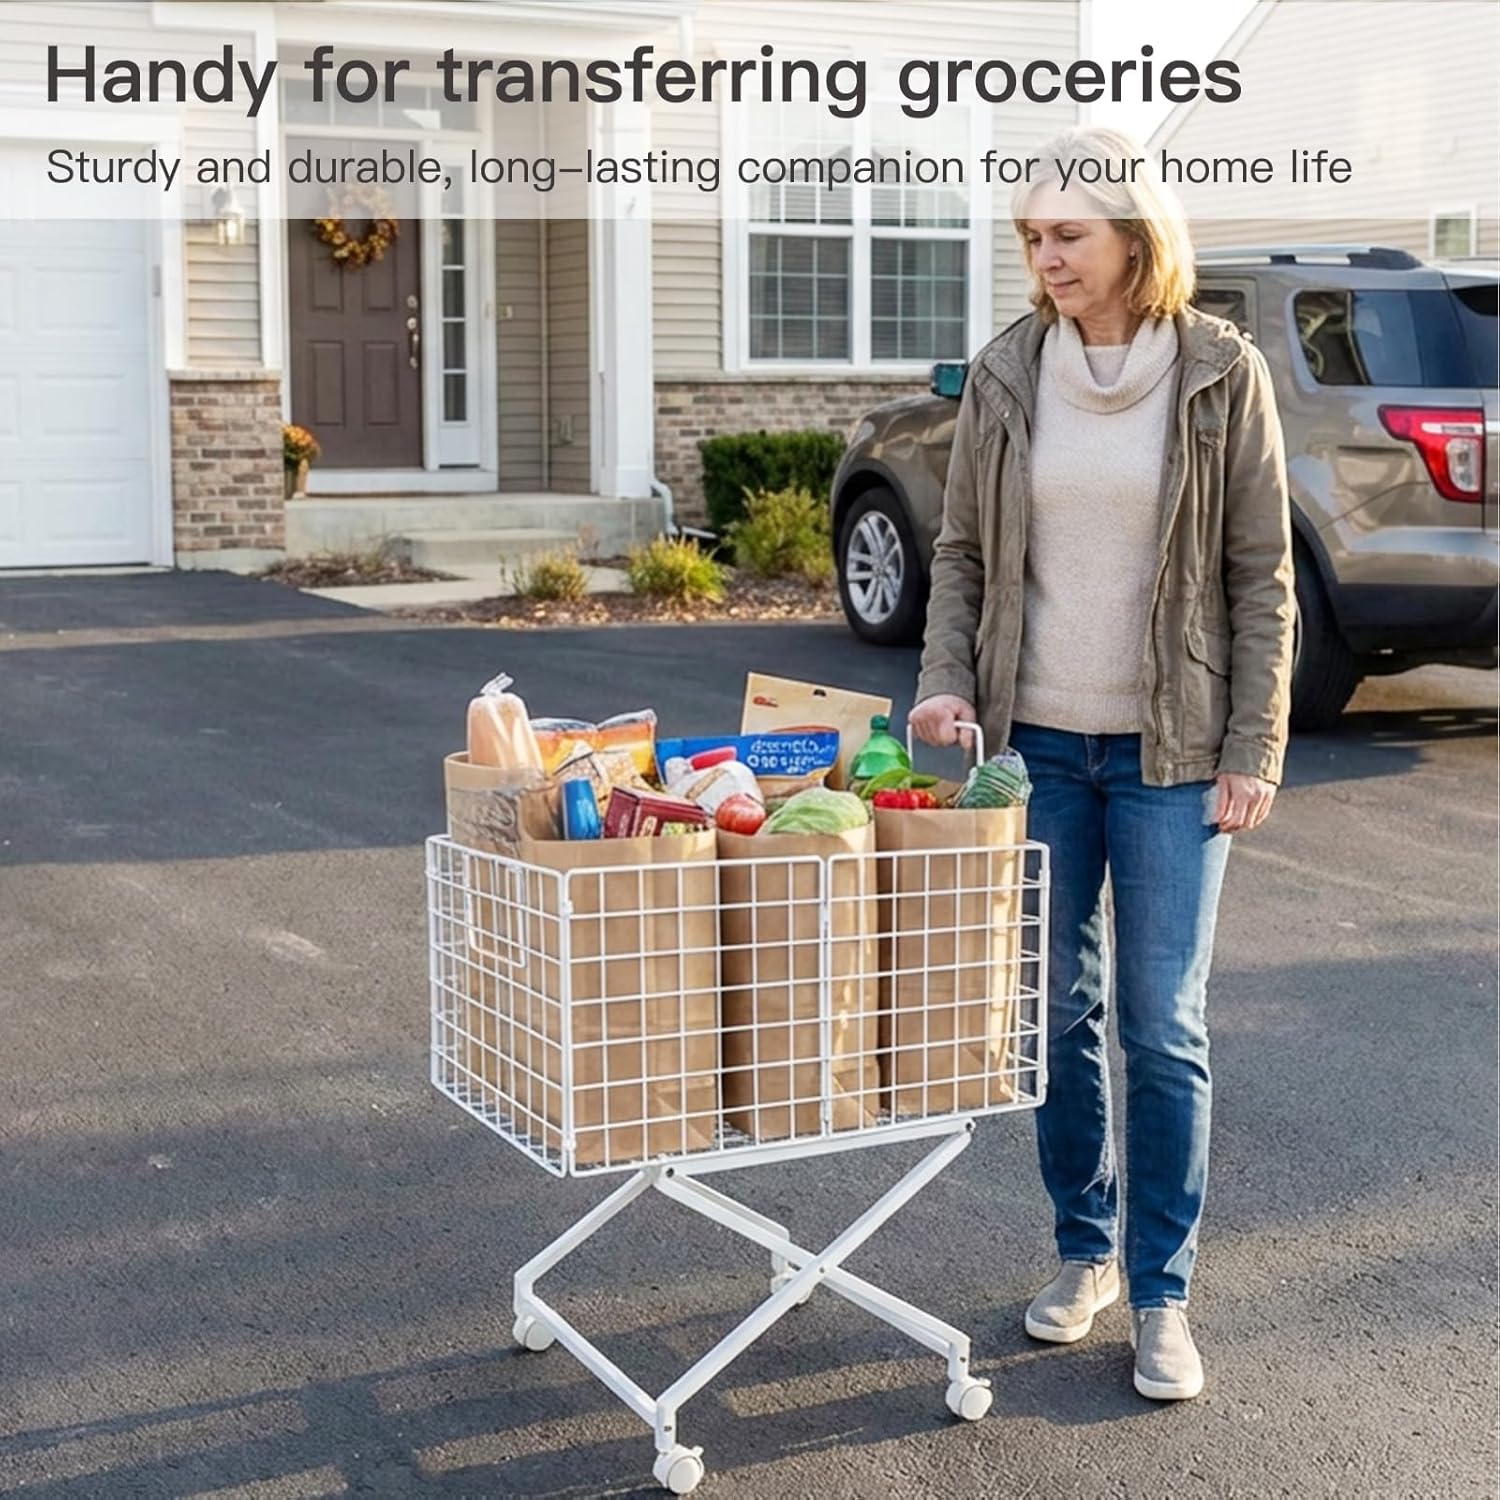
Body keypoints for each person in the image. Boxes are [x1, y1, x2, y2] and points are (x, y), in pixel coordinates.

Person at [909, 127, 1295, 1402]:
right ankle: (1084, 1251)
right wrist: (947, 684)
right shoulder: (1010, 370)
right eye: (1030, 236)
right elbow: (962, 552)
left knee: (1163, 1026)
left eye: (1067, 232)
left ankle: (1164, 1292)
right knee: (1054, 1016)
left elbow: (1261, 577)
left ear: (1137, 234)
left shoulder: (1220, 374)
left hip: (1177, 751)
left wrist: (1256, 745)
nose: (1046, 255)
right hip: (1041, 751)